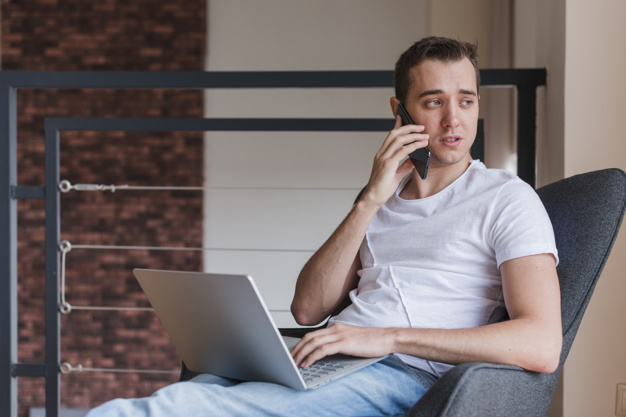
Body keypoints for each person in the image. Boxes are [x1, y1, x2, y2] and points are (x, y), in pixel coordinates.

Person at [87, 36, 561, 417]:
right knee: (204, 385)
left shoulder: (506, 198)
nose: (453, 119)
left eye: (466, 100)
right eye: (434, 101)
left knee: (173, 409)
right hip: (332, 361)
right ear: (400, 112)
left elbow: (541, 344)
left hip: (403, 377)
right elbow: (308, 308)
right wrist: (370, 199)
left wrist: (386, 336)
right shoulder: (382, 200)